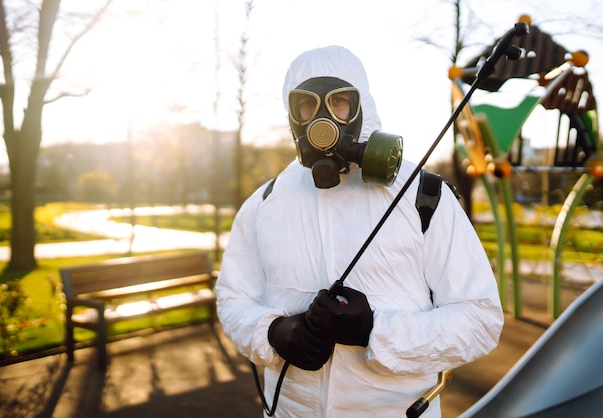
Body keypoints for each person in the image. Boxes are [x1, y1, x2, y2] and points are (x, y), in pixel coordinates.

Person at [215, 45, 503, 417]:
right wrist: (271, 333)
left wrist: (375, 331)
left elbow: (479, 320)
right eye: (306, 104)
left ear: (361, 105)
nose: (321, 119)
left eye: (338, 102)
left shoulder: (422, 195)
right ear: (291, 114)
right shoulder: (263, 204)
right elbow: (233, 299)